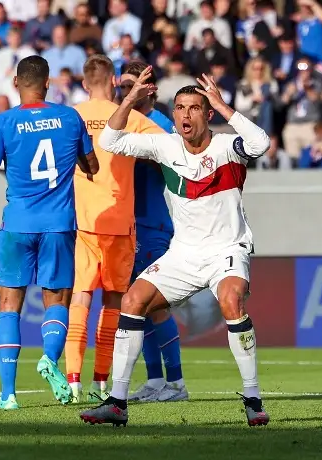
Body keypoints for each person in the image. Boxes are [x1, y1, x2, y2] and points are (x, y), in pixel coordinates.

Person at [80, 70, 271, 427]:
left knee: (232, 300)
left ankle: (253, 398)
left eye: (194, 108)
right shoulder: (164, 145)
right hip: (183, 253)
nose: (185, 115)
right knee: (133, 301)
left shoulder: (228, 146)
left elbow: (261, 143)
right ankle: (117, 403)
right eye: (180, 108)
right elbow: (110, 140)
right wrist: (130, 99)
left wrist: (224, 106)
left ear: (207, 113)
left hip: (226, 249)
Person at [0, 55, 99, 410]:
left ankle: (7, 395)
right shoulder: (71, 117)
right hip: (59, 225)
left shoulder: (3, 122)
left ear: (16, 83)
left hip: (17, 225)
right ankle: (49, 360)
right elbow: (92, 165)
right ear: (48, 83)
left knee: (9, 308)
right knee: (57, 301)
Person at [64, 55, 163, 403]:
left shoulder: (69, 115)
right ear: (112, 80)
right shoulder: (131, 118)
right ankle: (100, 381)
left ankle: (72, 379)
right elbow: (170, 146)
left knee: (79, 296)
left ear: (84, 81)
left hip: (81, 221)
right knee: (113, 302)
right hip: (120, 221)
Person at [117, 60, 187, 403]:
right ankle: (156, 380)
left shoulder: (160, 127)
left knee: (157, 305)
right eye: (122, 84)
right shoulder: (122, 123)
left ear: (151, 89)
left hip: (153, 223)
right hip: (128, 226)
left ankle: (176, 383)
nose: (124, 90)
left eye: (132, 83)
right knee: (136, 305)